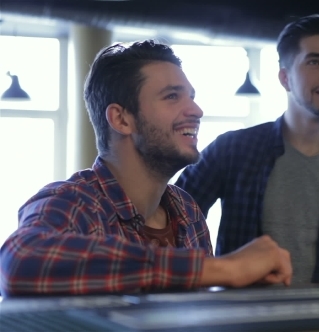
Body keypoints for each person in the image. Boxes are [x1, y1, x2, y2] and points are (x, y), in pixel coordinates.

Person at [0, 40, 292, 297]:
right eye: (172, 96)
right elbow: (18, 260)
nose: (196, 110)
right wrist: (219, 269)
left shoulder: (187, 210)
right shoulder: (74, 201)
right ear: (121, 119)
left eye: (191, 96)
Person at [176, 14, 319, 284]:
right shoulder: (232, 149)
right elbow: (175, 222)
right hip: (245, 319)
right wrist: (214, 274)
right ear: (285, 78)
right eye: (315, 62)